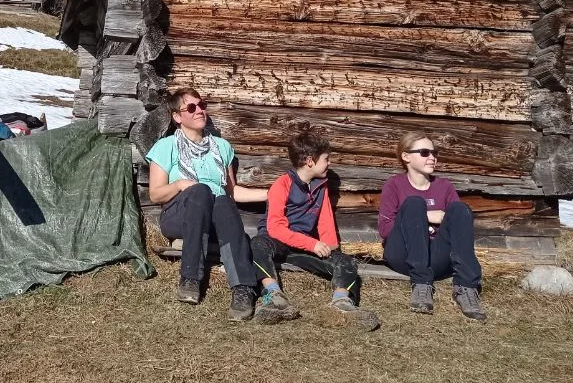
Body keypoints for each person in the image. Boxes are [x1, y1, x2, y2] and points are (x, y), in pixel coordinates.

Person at [146, 87, 266, 321]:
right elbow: (156, 194)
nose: (200, 110)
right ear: (177, 117)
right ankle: (190, 278)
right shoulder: (166, 146)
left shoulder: (222, 147)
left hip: (214, 214)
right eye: (191, 107)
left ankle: (243, 288)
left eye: (202, 105)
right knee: (200, 190)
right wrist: (180, 184)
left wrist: (271, 194)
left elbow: (233, 193)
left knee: (221, 200)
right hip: (179, 215)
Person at [250, 132, 380, 330]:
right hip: (276, 242)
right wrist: (312, 244)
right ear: (310, 161)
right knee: (256, 245)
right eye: (326, 159)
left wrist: (332, 250)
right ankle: (274, 296)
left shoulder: (321, 186)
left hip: (301, 247)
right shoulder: (282, 184)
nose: (329, 163)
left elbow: (325, 219)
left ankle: (341, 303)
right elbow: (275, 228)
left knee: (346, 261)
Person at [378, 132, 486, 321]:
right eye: (425, 152)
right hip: (403, 255)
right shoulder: (394, 185)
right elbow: (385, 230)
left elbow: (457, 228)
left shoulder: (444, 187)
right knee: (413, 203)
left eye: (434, 153)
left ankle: (466, 287)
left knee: (461, 209)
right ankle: (421, 284)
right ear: (406, 157)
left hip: (436, 257)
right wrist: (424, 217)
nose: (432, 158)